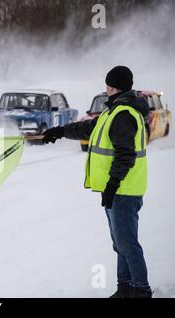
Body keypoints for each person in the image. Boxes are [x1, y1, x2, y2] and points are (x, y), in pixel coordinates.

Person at [43, 66, 152, 298]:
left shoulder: (123, 115)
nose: (106, 89)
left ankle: (141, 290)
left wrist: (112, 185)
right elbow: (88, 128)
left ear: (113, 87)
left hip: (123, 190)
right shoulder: (113, 112)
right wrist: (60, 131)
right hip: (117, 190)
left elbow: (125, 154)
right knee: (120, 244)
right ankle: (125, 288)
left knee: (128, 244)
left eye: (108, 85)